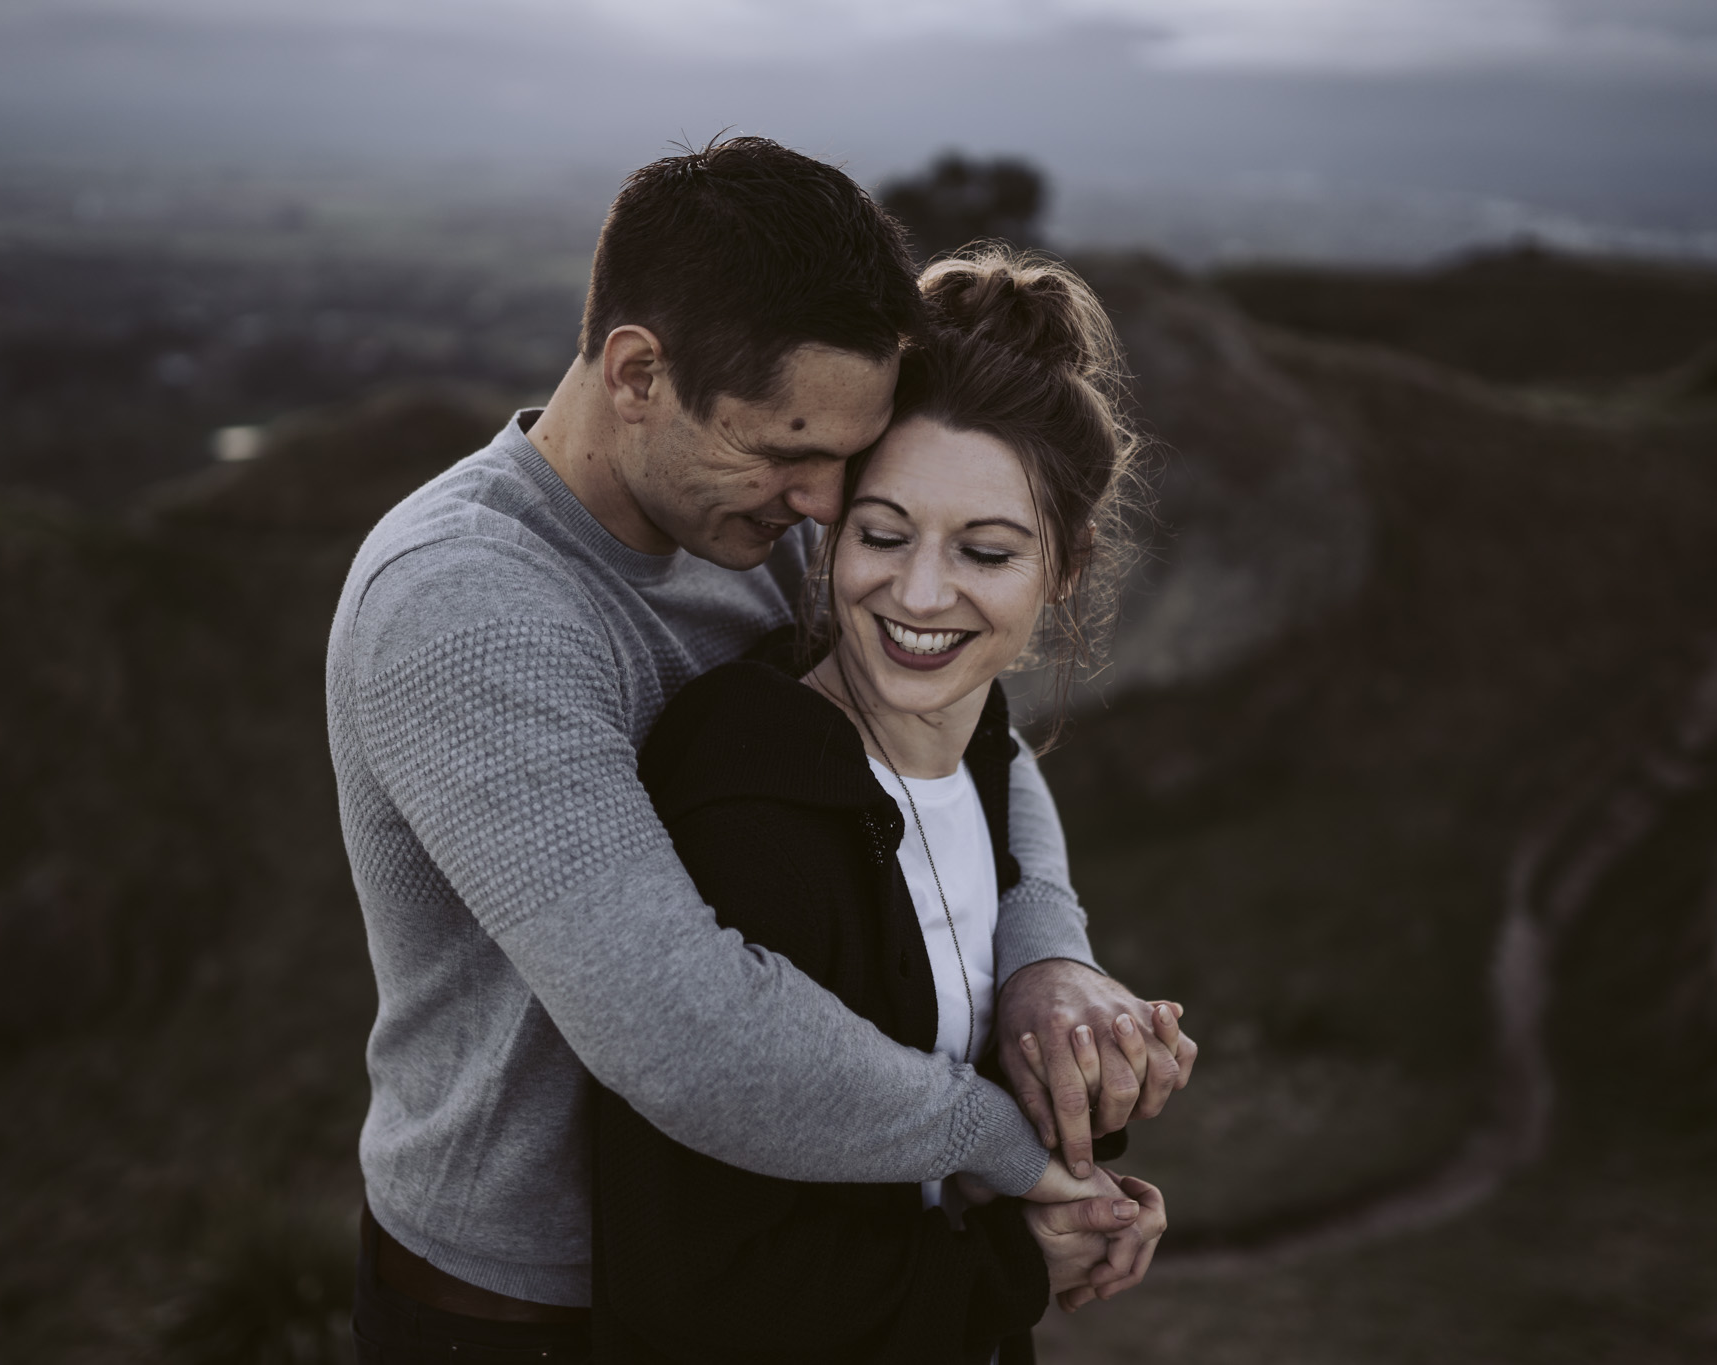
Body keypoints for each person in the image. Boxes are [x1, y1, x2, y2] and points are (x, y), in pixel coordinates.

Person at [327, 137, 1194, 1363]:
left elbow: (965, 730)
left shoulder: (753, 519)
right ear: (636, 372)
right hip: (530, 1307)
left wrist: (1043, 955)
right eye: (787, 451)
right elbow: (689, 1032)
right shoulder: (468, 608)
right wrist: (1002, 1145)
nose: (823, 503)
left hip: (795, 1250)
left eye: (843, 459)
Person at [592, 248, 1163, 1365]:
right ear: (832, 529)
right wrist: (1010, 1268)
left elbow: (943, 1124)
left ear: (1063, 567)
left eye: (985, 551)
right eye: (883, 533)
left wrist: (1088, 1131)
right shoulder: (750, 794)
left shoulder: (979, 765)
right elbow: (696, 1285)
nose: (916, 594)